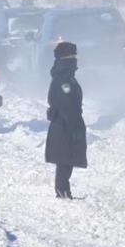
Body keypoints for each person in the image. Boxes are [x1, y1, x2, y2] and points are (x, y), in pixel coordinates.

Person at [44, 41, 86, 199]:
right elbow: (66, 104)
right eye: (73, 56)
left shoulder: (65, 76)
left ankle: (63, 191)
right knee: (65, 159)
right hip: (65, 125)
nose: (75, 59)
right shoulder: (64, 79)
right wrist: (74, 127)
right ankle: (62, 192)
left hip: (65, 124)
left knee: (67, 159)